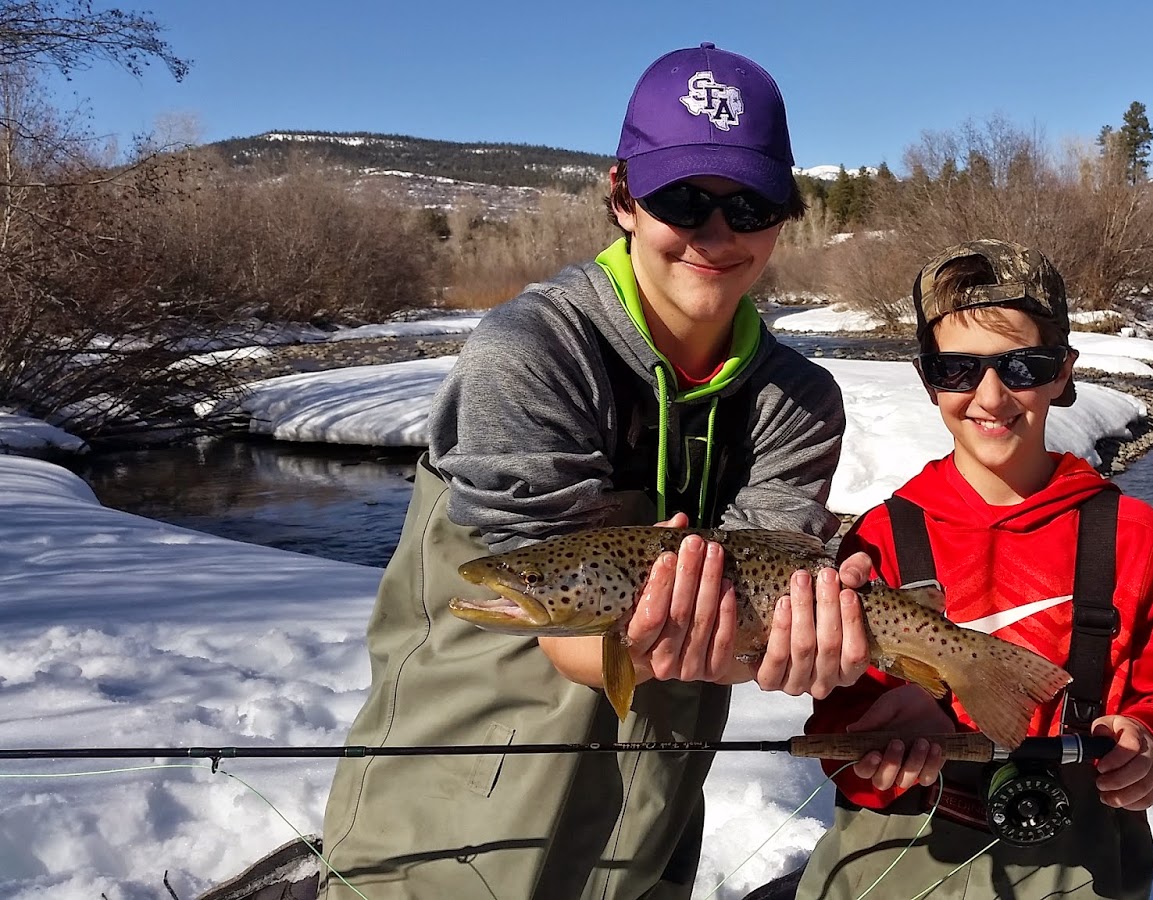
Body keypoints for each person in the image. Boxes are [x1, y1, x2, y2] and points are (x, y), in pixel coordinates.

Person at [319, 43, 871, 900]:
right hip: (455, 811)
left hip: (650, 818)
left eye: (750, 204)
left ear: (784, 215)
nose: (715, 236)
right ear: (622, 197)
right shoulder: (530, 352)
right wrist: (703, 638)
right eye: (682, 199)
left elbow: (759, 613)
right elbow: (567, 633)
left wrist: (813, 645)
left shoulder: (800, 399)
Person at [794, 240, 1153, 900]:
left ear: (1062, 372)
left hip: (1078, 862)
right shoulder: (880, 538)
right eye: (958, 370)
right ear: (928, 377)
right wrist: (872, 743)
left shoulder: (1136, 538)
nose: (990, 396)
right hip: (900, 852)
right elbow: (835, 718)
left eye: (1022, 365)